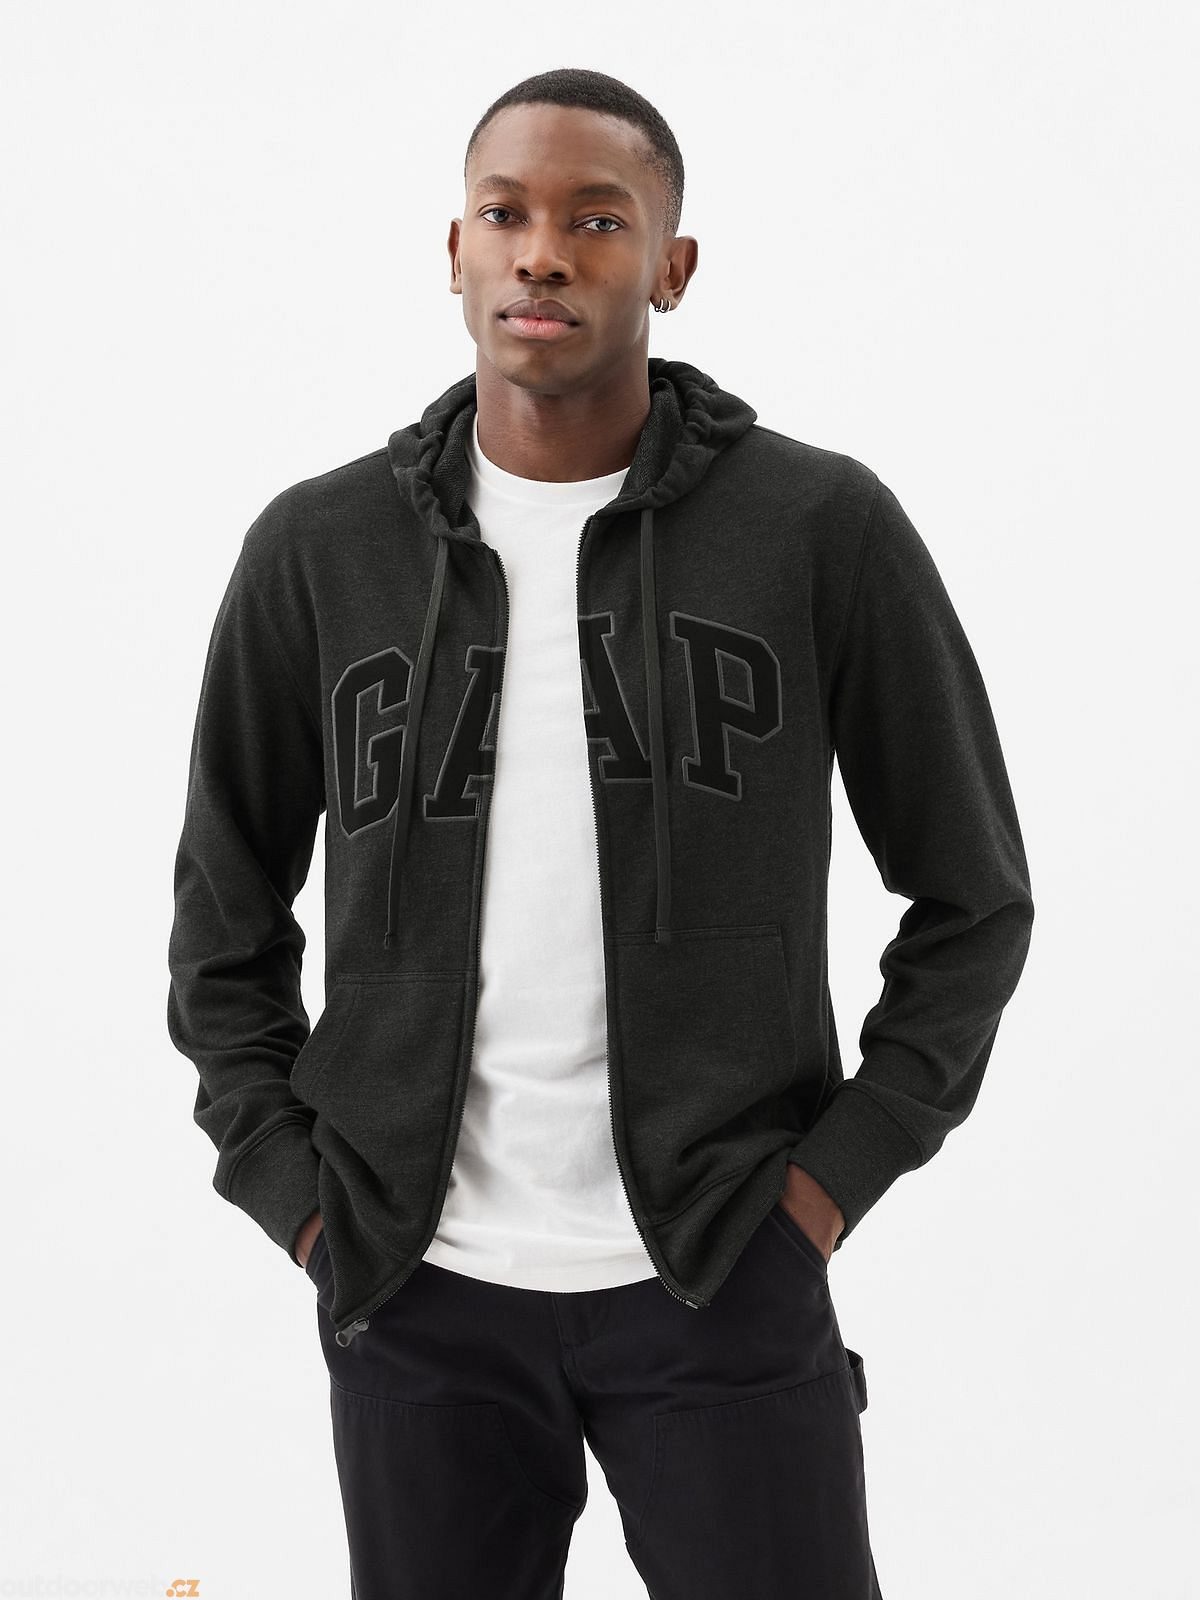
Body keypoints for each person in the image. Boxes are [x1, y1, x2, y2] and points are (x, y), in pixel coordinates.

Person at [167, 66, 1034, 1600]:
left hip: (720, 1268)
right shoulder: (319, 551)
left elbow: (974, 898)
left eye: (597, 220)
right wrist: (305, 1206)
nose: (543, 253)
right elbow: (222, 926)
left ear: (672, 267)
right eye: (505, 214)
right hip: (417, 1291)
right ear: (453, 251)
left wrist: (824, 1189)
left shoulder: (817, 529)